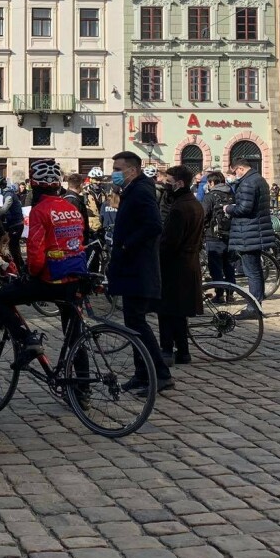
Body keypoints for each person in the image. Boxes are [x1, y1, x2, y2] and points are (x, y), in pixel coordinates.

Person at [0, 159, 88, 361]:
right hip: (75, 277)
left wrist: (29, 274)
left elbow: (35, 255)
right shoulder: (71, 208)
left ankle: (27, 339)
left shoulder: (40, 210)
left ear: (34, 186)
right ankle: (82, 386)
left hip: (50, 280)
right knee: (74, 336)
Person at [106, 151, 173, 393]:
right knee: (133, 324)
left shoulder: (142, 190)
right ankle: (142, 373)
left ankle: (160, 374)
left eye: (117, 168)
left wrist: (126, 245)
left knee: (137, 324)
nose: (114, 172)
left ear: (132, 170)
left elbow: (154, 225)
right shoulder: (132, 189)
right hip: (132, 267)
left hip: (138, 267)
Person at [158, 165, 205, 365]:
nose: (165, 185)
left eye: (168, 182)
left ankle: (167, 350)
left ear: (179, 183)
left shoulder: (180, 207)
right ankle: (183, 351)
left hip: (176, 266)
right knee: (178, 313)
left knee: (168, 311)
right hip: (189, 262)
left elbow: (170, 242)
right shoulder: (193, 203)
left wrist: (158, 258)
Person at [224, 154, 274, 302]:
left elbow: (244, 208)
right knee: (256, 270)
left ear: (240, 168)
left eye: (235, 172)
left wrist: (229, 208)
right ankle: (257, 302)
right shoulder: (259, 179)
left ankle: (253, 305)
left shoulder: (247, 183)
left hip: (248, 232)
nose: (235, 175)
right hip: (256, 230)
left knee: (251, 271)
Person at [201, 171, 234, 300]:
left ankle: (219, 295)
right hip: (231, 234)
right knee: (229, 265)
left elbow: (204, 214)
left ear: (212, 182)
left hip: (214, 235)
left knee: (215, 267)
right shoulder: (232, 194)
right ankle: (230, 294)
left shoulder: (210, 196)